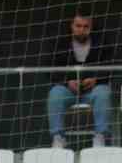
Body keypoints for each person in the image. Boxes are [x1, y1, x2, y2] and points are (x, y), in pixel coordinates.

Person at [46, 11, 113, 149]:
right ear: (71, 26)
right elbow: (50, 69)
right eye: (78, 26)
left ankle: (100, 136)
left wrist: (96, 79)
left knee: (103, 92)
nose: (81, 30)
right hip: (68, 89)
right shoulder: (61, 43)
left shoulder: (101, 41)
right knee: (55, 93)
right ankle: (58, 137)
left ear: (91, 27)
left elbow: (111, 65)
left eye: (85, 26)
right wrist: (67, 82)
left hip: (93, 89)